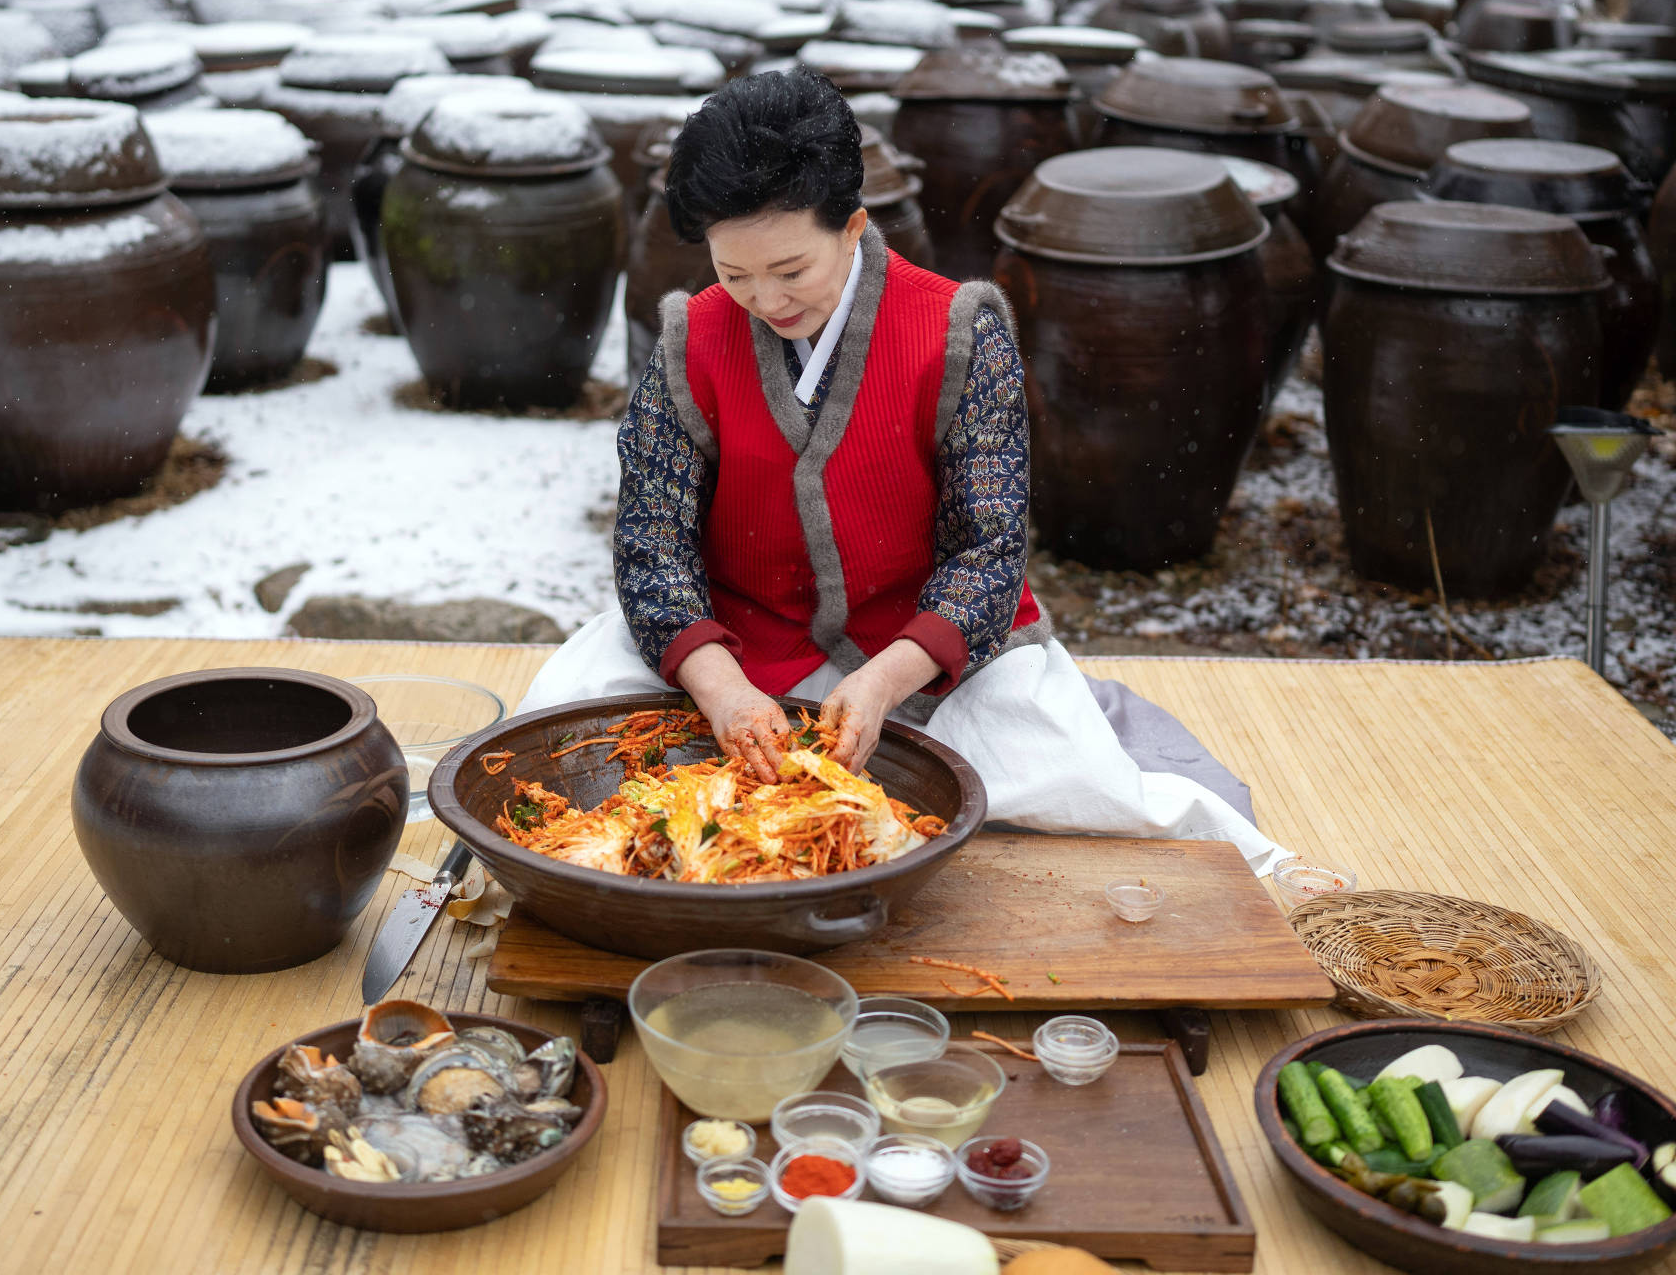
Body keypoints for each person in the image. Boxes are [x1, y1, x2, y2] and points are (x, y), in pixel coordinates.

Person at [519, 68, 1279, 866]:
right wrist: (722, 690)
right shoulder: (689, 339)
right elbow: (653, 543)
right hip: (735, 636)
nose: (765, 301)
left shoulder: (956, 329)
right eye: (734, 274)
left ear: (852, 227)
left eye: (790, 271)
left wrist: (884, 682)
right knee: (562, 728)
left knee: (1066, 777)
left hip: (916, 640)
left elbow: (987, 552)